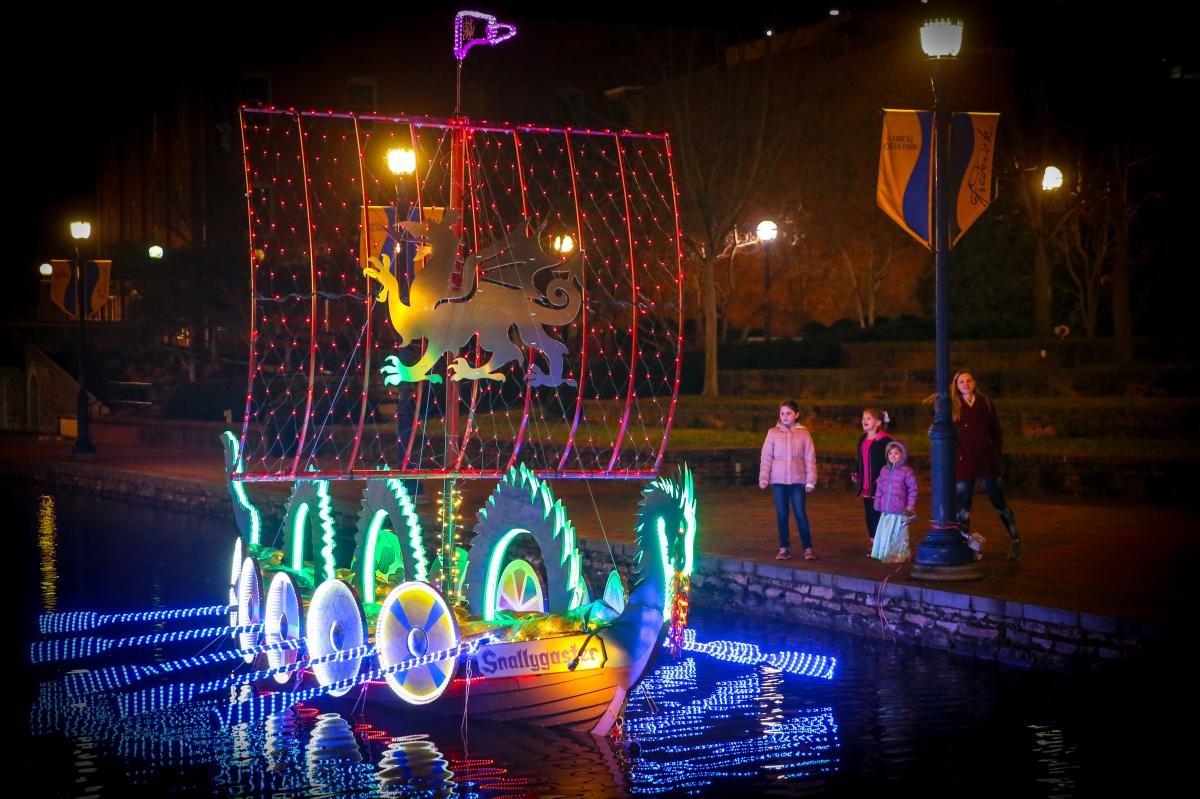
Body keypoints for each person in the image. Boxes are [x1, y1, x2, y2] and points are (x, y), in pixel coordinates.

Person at [952, 369, 1020, 559]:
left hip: (986, 460)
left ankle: (1015, 539)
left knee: (999, 502)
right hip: (964, 461)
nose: (966, 384)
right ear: (956, 386)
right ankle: (965, 545)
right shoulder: (953, 406)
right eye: (961, 382)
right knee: (963, 507)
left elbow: (996, 431)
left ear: (974, 382)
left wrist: (995, 452)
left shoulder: (986, 403)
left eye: (969, 380)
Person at [759, 400, 818, 561]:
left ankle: (808, 547)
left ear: (796, 415)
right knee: (782, 515)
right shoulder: (772, 433)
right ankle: (784, 547)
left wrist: (810, 480)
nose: (785, 416)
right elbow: (766, 457)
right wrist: (764, 477)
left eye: (789, 413)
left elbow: (810, 457)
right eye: (782, 413)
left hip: (797, 481)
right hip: (778, 482)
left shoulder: (804, 433)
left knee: (800, 513)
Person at [851, 408, 893, 552]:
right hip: (866, 484)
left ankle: (883, 543)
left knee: (878, 514)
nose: (864, 421)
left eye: (869, 418)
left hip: (879, 485)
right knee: (868, 513)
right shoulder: (862, 439)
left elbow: (891, 462)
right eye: (863, 418)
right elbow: (861, 459)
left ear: (878, 422)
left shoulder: (885, 440)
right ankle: (874, 542)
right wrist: (857, 471)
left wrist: (884, 477)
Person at [871, 441, 918, 563]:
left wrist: (910, 505)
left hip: (899, 509)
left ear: (903, 455)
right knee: (886, 531)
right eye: (890, 453)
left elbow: (913, 489)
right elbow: (880, 488)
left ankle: (899, 553)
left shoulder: (907, 472)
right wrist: (878, 501)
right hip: (887, 510)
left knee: (898, 533)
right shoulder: (884, 470)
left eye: (896, 453)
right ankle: (884, 552)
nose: (893, 456)